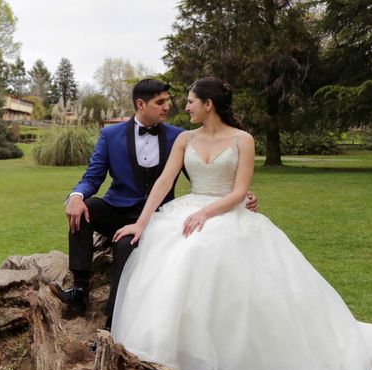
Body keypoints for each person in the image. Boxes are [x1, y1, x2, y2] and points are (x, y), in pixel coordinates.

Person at [109, 77, 372, 370]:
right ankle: (177, 347)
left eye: (191, 101)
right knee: (175, 255)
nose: (186, 107)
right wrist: (142, 223)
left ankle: (234, 355)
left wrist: (207, 213)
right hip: (188, 208)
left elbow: (239, 191)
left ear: (208, 105)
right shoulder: (185, 139)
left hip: (226, 212)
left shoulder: (243, 140)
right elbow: (164, 182)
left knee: (202, 249)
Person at [48, 78, 257, 330]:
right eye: (160, 102)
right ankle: (80, 289)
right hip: (118, 208)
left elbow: (203, 171)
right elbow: (93, 176)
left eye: (168, 101)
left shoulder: (180, 136)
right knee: (84, 208)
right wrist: (75, 196)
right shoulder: (110, 135)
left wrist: (241, 195)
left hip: (157, 215)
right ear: (140, 104)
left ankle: (113, 322)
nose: (168, 107)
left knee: (126, 246)